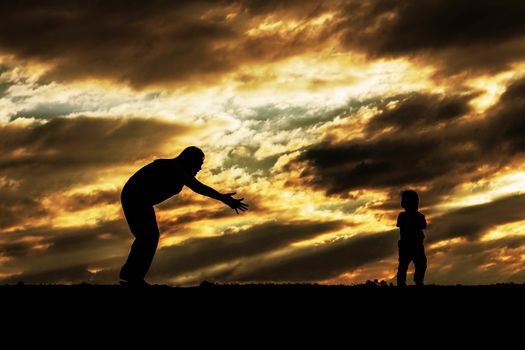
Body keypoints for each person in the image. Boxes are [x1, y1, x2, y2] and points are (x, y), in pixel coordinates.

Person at [119, 146, 248, 286]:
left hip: (140, 200)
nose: (199, 168)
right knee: (148, 236)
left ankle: (132, 276)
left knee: (148, 236)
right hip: (136, 198)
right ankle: (132, 277)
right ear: (189, 160)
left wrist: (223, 198)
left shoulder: (176, 168)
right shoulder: (176, 169)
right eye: (199, 164)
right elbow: (198, 187)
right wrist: (223, 198)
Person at [396, 190, 427, 287]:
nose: (414, 204)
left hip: (417, 245)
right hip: (406, 244)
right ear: (403, 204)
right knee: (403, 265)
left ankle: (418, 280)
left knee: (421, 264)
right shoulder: (402, 216)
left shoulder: (419, 216)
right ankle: (401, 282)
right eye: (412, 202)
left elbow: (423, 225)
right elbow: (403, 226)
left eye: (415, 202)